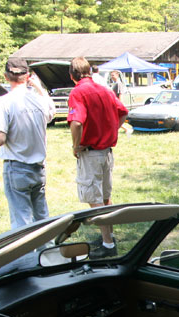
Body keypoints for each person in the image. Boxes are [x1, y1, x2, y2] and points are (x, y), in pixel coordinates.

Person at [68, 56, 128, 259]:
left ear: (72, 75)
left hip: (91, 153)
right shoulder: (104, 89)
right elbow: (123, 112)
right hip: (107, 152)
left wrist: (76, 146)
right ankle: (107, 237)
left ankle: (108, 245)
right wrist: (112, 129)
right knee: (105, 197)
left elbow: (76, 122)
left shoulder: (78, 92)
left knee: (94, 201)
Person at [0, 57, 56, 229]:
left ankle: (25, 256)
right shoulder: (39, 100)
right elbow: (51, 113)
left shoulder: (4, 103)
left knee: (22, 223)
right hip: (38, 167)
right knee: (42, 219)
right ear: (27, 76)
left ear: (5, 76)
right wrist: (40, 88)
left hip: (17, 167)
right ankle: (45, 253)